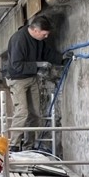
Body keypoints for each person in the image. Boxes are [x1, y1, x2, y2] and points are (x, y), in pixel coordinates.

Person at [4, 14, 58, 149]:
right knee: (22, 112)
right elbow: (16, 65)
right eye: (44, 34)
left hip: (31, 78)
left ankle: (29, 146)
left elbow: (47, 53)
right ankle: (14, 145)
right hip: (17, 80)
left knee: (35, 114)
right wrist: (38, 64)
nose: (46, 37)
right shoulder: (19, 39)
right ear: (35, 30)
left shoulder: (39, 40)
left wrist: (62, 58)